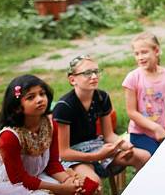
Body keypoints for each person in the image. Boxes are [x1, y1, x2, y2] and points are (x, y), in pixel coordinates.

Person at [53, 55, 150, 191]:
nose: (94, 76)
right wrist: (97, 156)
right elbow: (64, 152)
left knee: (144, 156)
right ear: (72, 79)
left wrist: (123, 145)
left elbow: (109, 135)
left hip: (96, 146)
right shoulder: (64, 106)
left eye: (96, 71)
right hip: (73, 155)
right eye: (87, 73)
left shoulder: (102, 97)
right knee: (94, 182)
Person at [0, 74, 98, 195]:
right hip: (17, 186)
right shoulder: (9, 137)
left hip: (40, 175)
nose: (39, 99)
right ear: (17, 107)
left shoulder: (49, 124)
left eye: (42, 94)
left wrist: (69, 181)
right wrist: (60, 189)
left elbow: (52, 164)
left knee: (83, 188)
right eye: (31, 97)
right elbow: (18, 179)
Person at [123, 33, 165, 155]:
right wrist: (156, 128)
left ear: (156, 51)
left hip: (164, 131)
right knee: (157, 159)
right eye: (136, 54)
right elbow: (131, 112)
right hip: (140, 134)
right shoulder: (132, 78)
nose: (140, 57)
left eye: (144, 52)